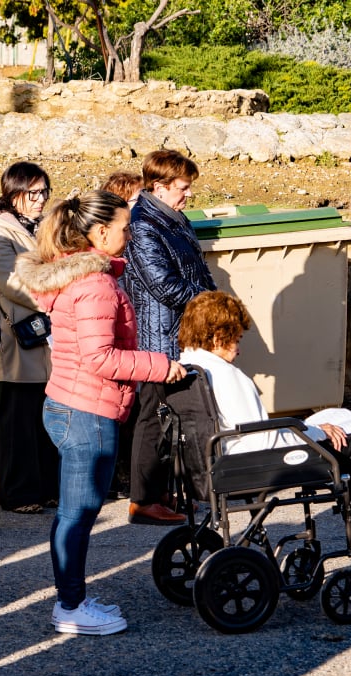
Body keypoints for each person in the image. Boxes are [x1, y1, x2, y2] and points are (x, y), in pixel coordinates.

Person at [14, 191, 187, 635]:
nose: (130, 235)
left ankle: (73, 599)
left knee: (78, 512)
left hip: (76, 405)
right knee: (78, 513)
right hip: (86, 410)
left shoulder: (86, 278)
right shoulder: (95, 285)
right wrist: (162, 366)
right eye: (126, 227)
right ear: (99, 232)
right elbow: (100, 358)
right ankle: (70, 607)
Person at [178, 290, 351, 560]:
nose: (238, 348)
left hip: (217, 466)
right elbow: (262, 440)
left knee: (336, 437)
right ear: (217, 336)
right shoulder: (228, 376)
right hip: (254, 465)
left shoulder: (186, 367)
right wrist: (314, 431)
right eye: (236, 339)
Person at [121, 149, 216, 526]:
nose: (188, 193)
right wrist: (210, 303)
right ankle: (142, 499)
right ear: (159, 187)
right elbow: (163, 284)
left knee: (173, 416)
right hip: (158, 337)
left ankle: (162, 491)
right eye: (183, 187)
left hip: (180, 332)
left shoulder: (174, 218)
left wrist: (213, 306)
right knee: (151, 416)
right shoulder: (143, 224)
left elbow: (196, 269)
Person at [0, 161, 59, 514]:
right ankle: (19, 493)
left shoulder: (42, 224)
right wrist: (52, 296)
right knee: (20, 420)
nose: (41, 199)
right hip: (24, 334)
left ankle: (47, 488)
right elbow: (6, 282)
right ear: (14, 194)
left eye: (45, 191)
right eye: (34, 193)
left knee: (48, 417)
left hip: (50, 333)